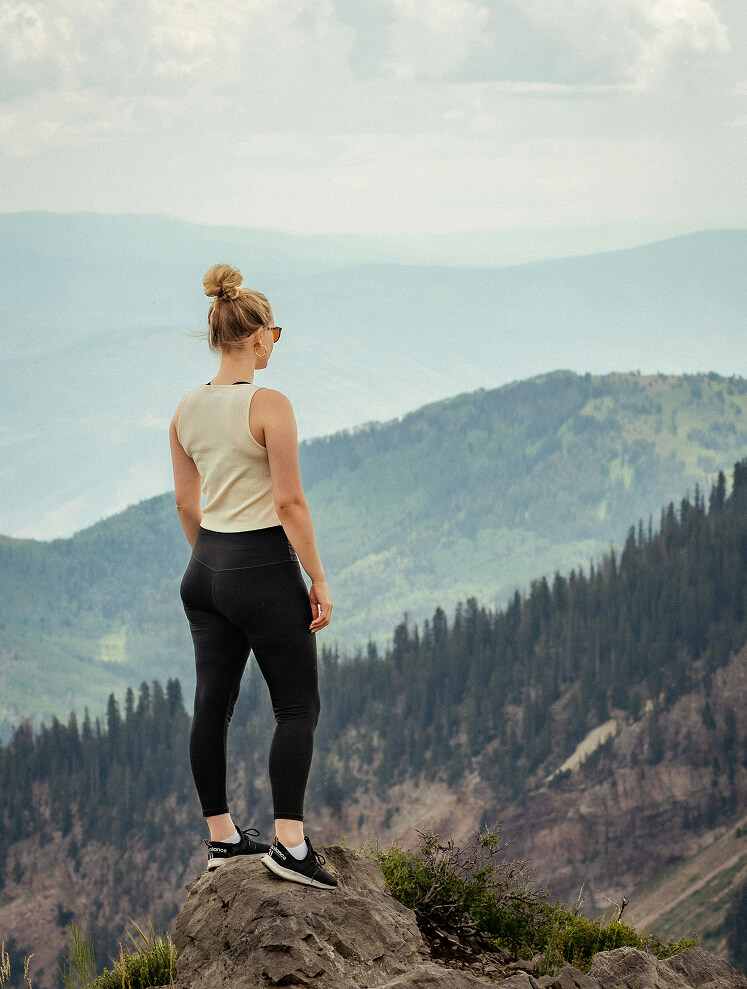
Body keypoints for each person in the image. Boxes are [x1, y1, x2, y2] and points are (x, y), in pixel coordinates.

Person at [169, 263, 337, 890]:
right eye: (276, 332)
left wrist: (213, 562)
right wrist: (316, 578)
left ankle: (222, 838)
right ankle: (289, 846)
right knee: (296, 706)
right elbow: (290, 504)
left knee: (212, 706)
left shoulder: (185, 409)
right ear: (259, 335)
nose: (276, 343)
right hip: (263, 568)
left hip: (205, 568)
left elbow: (188, 504)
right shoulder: (270, 405)